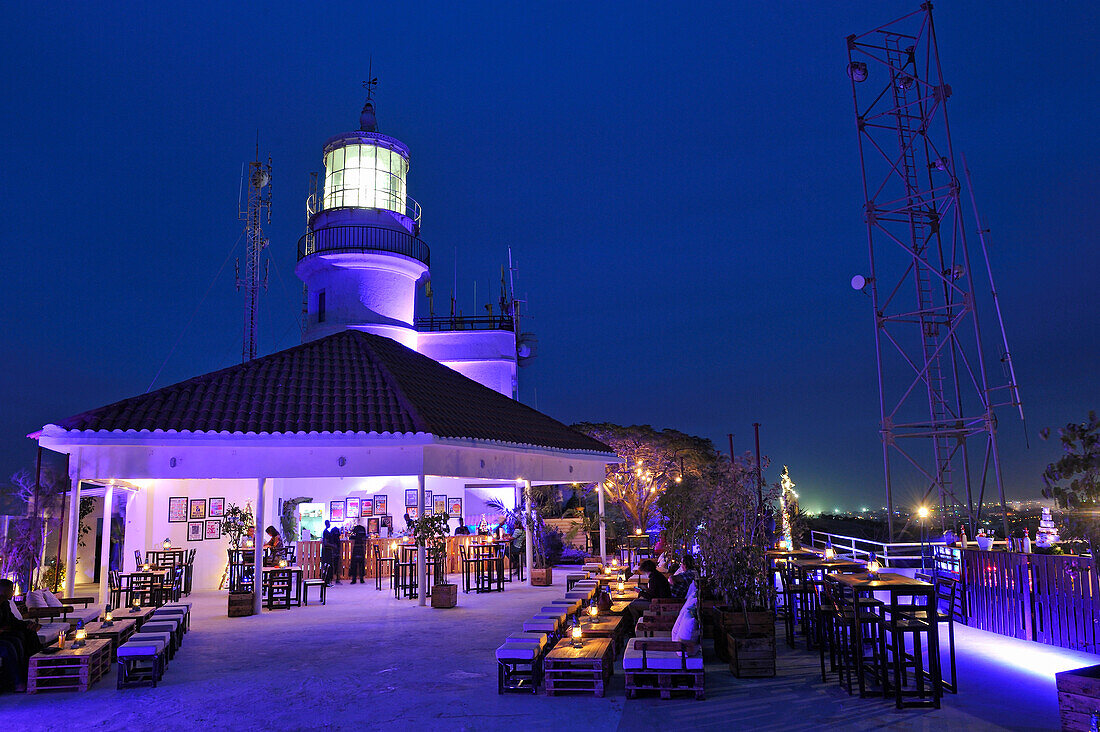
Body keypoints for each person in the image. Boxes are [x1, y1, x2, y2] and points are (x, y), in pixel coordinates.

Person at [0, 579, 42, 693]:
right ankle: (17, 681)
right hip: (2, 637)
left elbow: (12, 621)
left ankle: (36, 670)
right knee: (11, 644)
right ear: (3, 590)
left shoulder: (4, 604)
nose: (13, 592)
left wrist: (28, 625)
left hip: (4, 634)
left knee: (26, 634)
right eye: (11, 589)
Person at [626, 559, 672, 629]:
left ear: (646, 570)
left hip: (658, 603)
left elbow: (651, 597)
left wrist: (640, 592)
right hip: (660, 599)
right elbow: (653, 591)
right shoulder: (657, 575)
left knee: (631, 605)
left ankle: (635, 623)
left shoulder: (653, 579)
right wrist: (643, 590)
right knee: (635, 601)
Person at [320, 520, 336, 585]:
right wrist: (333, 545)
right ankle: (326, 581)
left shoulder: (326, 531)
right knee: (328, 566)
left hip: (326, 551)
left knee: (327, 565)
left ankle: (327, 581)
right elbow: (326, 543)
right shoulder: (326, 532)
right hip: (327, 551)